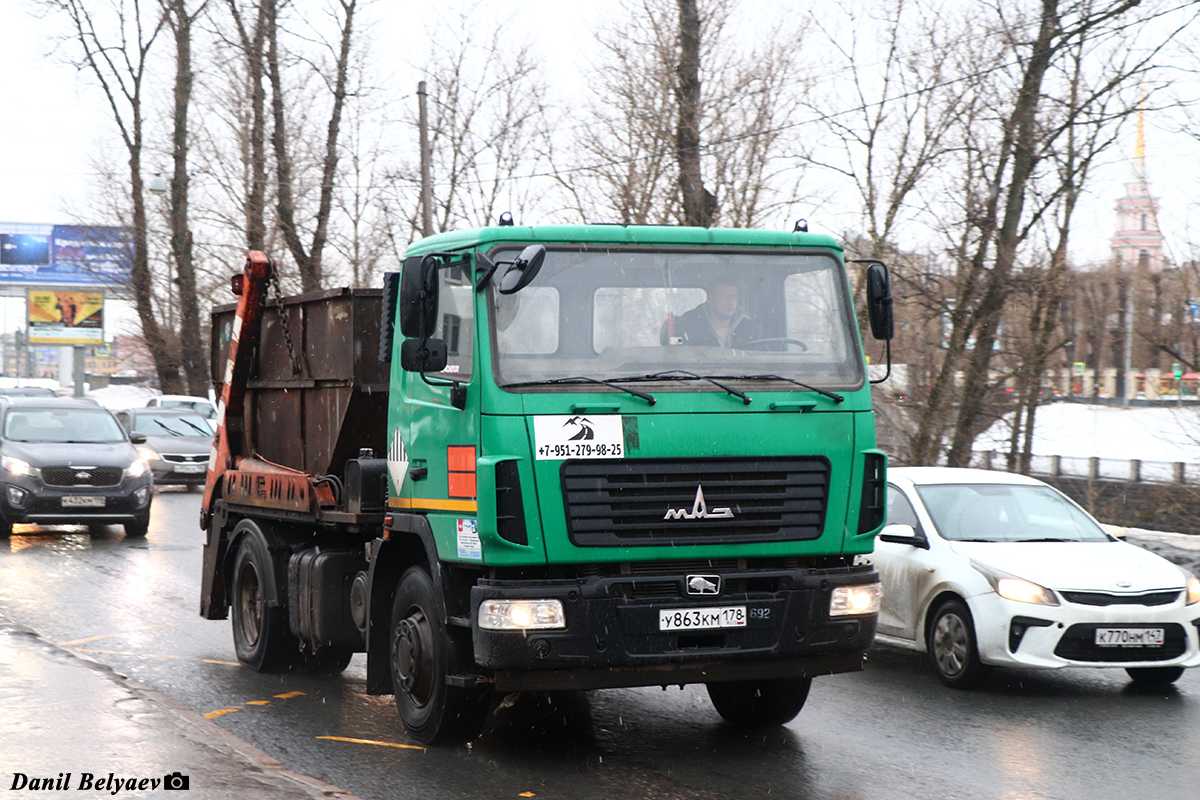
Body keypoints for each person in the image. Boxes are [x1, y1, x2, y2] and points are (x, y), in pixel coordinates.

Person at [662, 280, 760, 347]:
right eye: (723, 295)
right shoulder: (688, 328)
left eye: (733, 296)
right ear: (710, 299)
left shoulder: (749, 329)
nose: (730, 301)